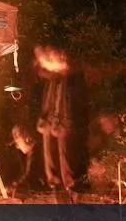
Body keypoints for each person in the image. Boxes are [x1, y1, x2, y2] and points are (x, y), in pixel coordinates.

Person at [34, 44, 89, 199]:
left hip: (64, 120)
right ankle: (52, 179)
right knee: (45, 135)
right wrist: (44, 119)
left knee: (63, 142)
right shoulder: (53, 80)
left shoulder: (70, 78)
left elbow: (68, 105)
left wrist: (61, 122)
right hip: (53, 118)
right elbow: (49, 102)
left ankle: (69, 181)